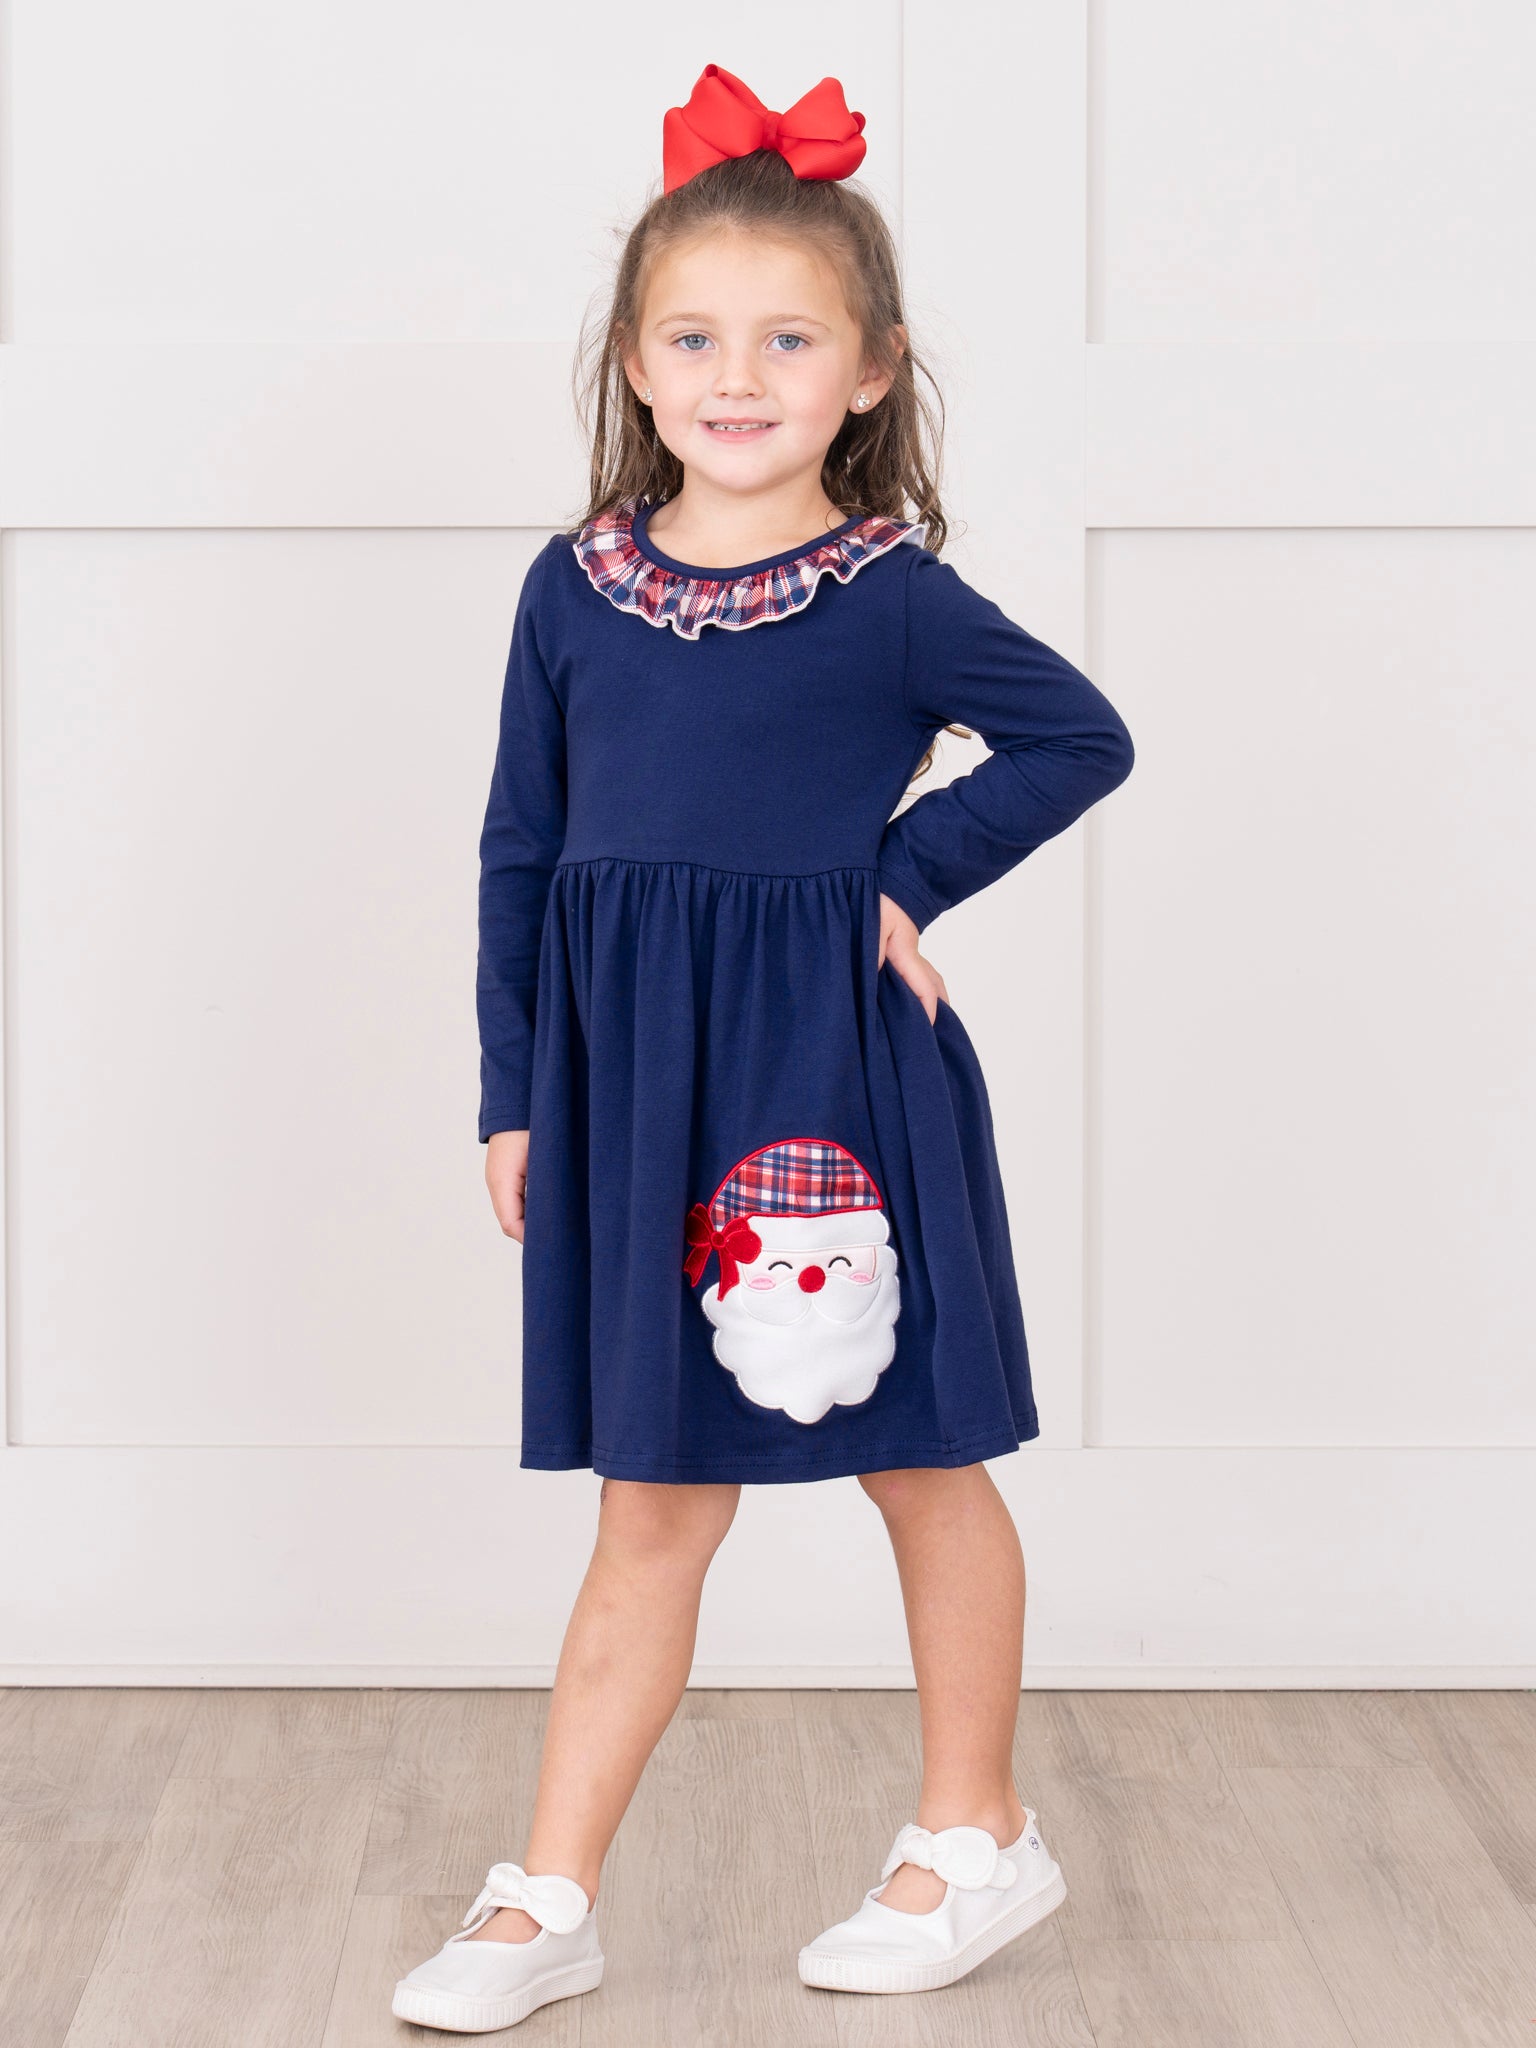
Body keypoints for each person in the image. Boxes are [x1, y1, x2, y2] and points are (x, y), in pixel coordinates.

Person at [393, 62, 1134, 2035]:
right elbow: (521, 846)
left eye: (789, 339)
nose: (740, 376)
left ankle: (974, 1830)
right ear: (639, 368)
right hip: (636, 1093)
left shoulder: (890, 601)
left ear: (869, 371)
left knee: (918, 1455)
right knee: (650, 1497)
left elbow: (1080, 737)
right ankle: (549, 1894)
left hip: (836, 1084)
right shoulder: (573, 589)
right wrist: (517, 1091)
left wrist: (898, 878)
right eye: (697, 338)